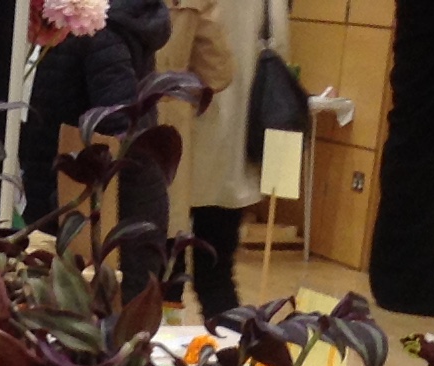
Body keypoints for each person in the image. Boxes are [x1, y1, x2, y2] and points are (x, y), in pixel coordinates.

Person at [18, 0, 177, 295]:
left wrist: (62, 195)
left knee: (109, 315)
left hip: (108, 219)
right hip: (110, 211)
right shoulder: (96, 24)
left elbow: (119, 128)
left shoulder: (99, 30)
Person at [168, 0, 287, 322]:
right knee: (217, 277)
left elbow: (202, 61)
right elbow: (279, 46)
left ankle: (158, 349)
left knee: (164, 275)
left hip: (181, 131)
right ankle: (234, 348)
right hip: (238, 139)